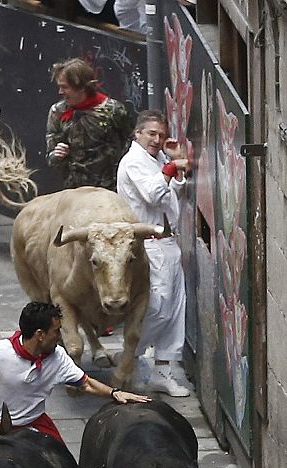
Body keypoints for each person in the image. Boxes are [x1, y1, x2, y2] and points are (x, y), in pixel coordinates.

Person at [0, 302, 149, 444]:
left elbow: (84, 383)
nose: (60, 336)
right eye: (56, 331)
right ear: (39, 334)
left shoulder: (57, 357)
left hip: (36, 424)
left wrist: (114, 393)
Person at [116, 109, 191, 397]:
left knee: (174, 309)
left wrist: (173, 165)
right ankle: (130, 356)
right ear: (137, 133)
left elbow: (176, 195)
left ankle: (163, 372)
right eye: (151, 134)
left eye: (161, 135)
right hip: (147, 243)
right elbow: (154, 195)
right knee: (157, 307)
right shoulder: (133, 162)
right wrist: (171, 168)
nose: (157, 140)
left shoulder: (158, 158)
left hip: (168, 241)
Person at [46, 58, 132, 191]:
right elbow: (50, 157)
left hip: (108, 190)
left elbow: (130, 144)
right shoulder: (57, 112)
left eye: (65, 87)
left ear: (81, 87)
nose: (60, 92)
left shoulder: (113, 110)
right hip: (73, 191)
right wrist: (57, 155)